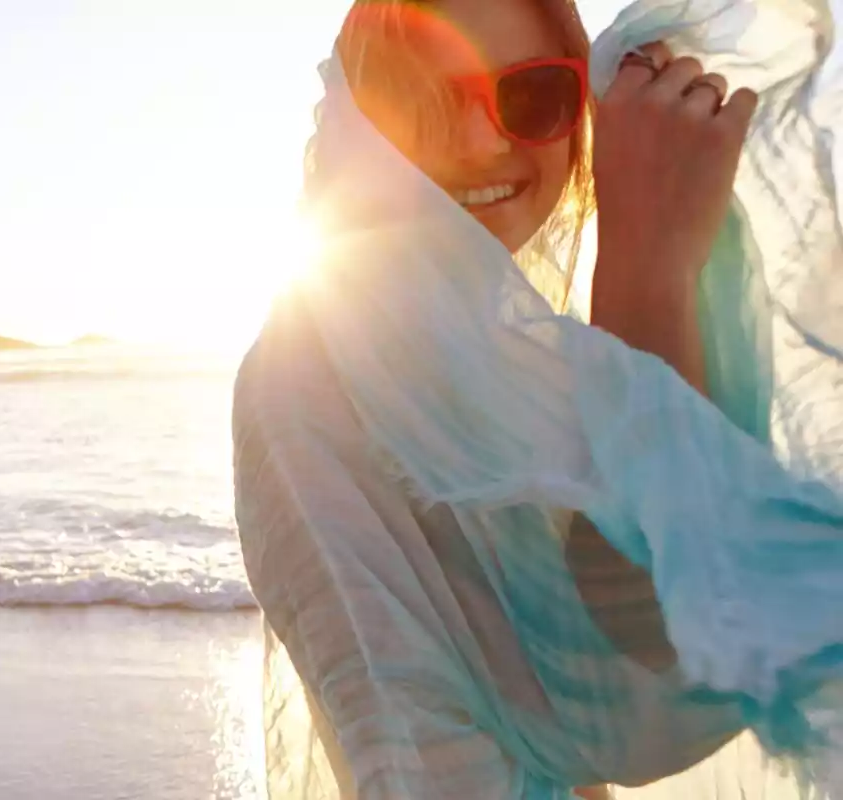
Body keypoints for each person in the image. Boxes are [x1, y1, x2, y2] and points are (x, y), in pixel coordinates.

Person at [232, 0, 772, 797]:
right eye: (427, 102)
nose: (486, 141)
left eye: (534, 98)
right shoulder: (312, 372)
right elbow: (636, 701)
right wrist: (649, 276)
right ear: (360, 125)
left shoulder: (489, 347)